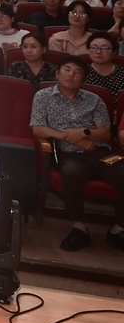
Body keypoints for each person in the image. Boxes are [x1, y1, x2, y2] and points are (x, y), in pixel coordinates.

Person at [30, 56, 124, 252]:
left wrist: (84, 132)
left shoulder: (94, 99)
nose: (71, 75)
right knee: (72, 174)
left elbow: (105, 133)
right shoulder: (43, 96)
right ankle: (79, 228)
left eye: (77, 72)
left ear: (83, 80)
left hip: (99, 153)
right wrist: (68, 137)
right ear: (57, 73)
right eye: (67, 69)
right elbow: (38, 129)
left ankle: (118, 229)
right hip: (69, 155)